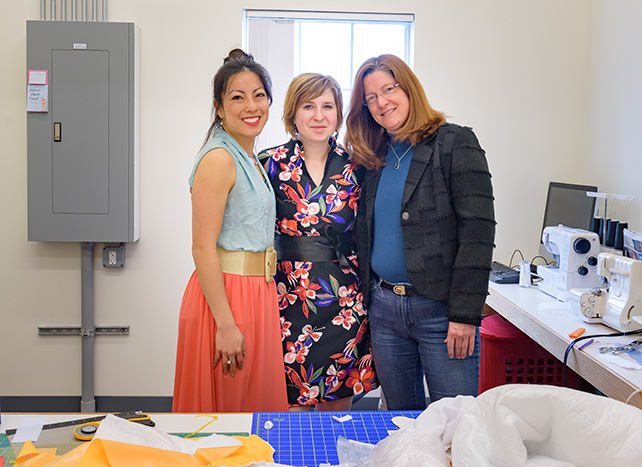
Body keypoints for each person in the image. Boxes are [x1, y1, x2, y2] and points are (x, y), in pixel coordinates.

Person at [345, 54, 496, 411]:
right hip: (384, 311)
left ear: (408, 88)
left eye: (388, 89)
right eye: (371, 98)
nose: (382, 103)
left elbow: (478, 233)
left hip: (441, 314)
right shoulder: (374, 157)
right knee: (400, 425)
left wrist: (464, 315)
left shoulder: (454, 143)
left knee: (455, 425)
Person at [173, 49, 288, 413]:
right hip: (227, 298)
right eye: (237, 97)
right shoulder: (219, 158)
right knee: (229, 412)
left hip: (256, 292)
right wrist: (225, 324)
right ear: (219, 108)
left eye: (259, 96)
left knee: (252, 406)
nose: (251, 106)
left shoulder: (249, 155)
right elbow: (202, 249)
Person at [259, 73, 377, 411]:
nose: (319, 115)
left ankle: (332, 465)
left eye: (328, 106)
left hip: (344, 299)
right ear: (293, 113)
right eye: (308, 106)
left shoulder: (358, 166)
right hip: (287, 297)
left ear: (339, 114)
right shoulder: (268, 164)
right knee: (289, 402)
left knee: (336, 404)